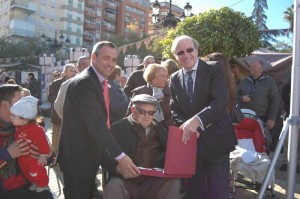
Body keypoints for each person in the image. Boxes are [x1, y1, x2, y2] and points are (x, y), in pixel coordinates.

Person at [56, 41, 140, 199]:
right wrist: (120, 156)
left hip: (90, 155)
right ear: (93, 57)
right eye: (106, 58)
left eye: (114, 60)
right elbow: (96, 124)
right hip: (77, 158)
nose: (111, 64)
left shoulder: (98, 81)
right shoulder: (85, 83)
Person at [169, 35, 237, 199]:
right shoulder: (174, 79)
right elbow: (174, 109)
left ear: (197, 50)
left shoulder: (214, 68)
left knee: (217, 191)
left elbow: (220, 102)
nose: (186, 55)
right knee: (195, 191)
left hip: (217, 141)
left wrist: (197, 122)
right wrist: (187, 126)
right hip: (192, 145)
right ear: (175, 57)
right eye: (180, 52)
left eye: (189, 50)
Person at [103, 94, 180, 199]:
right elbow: (103, 156)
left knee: (173, 182)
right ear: (133, 110)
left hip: (151, 182)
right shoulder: (117, 129)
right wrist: (117, 169)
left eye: (151, 113)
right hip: (125, 181)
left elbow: (170, 154)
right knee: (113, 186)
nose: (147, 116)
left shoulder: (160, 130)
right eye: (142, 112)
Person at [0, 84, 53, 199]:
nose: (24, 105)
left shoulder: (27, 123)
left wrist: (43, 156)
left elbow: (49, 156)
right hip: (5, 190)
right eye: (20, 102)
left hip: (30, 184)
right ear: (4, 105)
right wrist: (7, 155)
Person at [10, 96, 50, 192]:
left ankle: (43, 184)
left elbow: (43, 143)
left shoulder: (37, 130)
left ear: (25, 119)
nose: (10, 117)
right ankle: (35, 183)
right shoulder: (19, 127)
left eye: (14, 116)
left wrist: (43, 155)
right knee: (26, 171)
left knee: (36, 172)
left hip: (33, 158)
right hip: (23, 157)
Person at [236, 59, 279, 130]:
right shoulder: (244, 81)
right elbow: (235, 96)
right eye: (251, 66)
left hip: (261, 117)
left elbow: (275, 100)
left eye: (254, 66)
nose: (251, 68)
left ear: (261, 68)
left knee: (259, 139)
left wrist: (271, 118)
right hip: (244, 116)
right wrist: (242, 98)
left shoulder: (269, 82)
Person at [48, 63, 76, 152]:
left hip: (72, 116)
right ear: (65, 72)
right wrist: (62, 101)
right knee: (56, 137)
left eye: (74, 71)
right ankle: (53, 156)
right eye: (71, 71)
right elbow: (50, 98)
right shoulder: (56, 83)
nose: (73, 73)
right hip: (58, 115)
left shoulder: (77, 83)